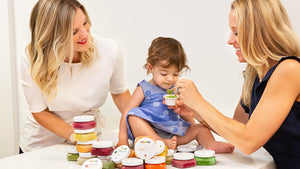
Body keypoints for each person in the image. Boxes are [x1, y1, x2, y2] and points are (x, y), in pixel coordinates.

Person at [173, 0, 300, 168]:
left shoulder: (289, 69)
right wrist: (195, 112)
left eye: (237, 33)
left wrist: (199, 102)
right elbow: (237, 130)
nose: (230, 40)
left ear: (260, 32)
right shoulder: (255, 74)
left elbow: (249, 141)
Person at [19, 0, 131, 153]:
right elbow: (40, 112)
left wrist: (143, 125)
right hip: (42, 147)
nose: (85, 34)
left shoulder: (109, 51)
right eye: (74, 32)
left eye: (85, 23)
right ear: (53, 37)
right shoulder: (33, 58)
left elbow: (120, 93)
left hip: (90, 140)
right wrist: (79, 136)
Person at [117, 37, 234, 153]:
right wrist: (122, 140)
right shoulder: (143, 88)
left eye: (176, 74)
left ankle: (211, 144)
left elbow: (186, 114)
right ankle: (160, 142)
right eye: (164, 74)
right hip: (149, 136)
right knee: (133, 116)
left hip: (174, 136)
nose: (170, 79)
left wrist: (193, 128)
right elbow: (126, 112)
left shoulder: (177, 89)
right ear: (150, 68)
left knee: (200, 128)